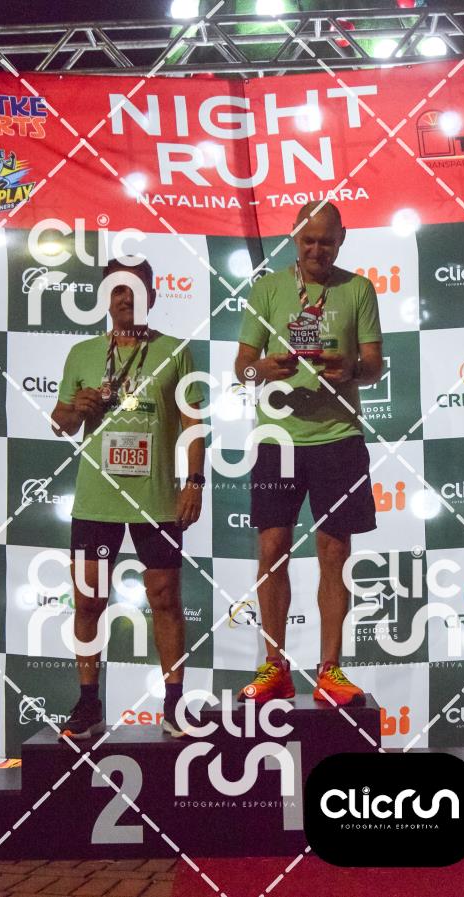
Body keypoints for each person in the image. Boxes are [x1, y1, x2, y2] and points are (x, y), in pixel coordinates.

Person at [234, 201, 383, 706]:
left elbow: (375, 366)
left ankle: (330, 669)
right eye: (308, 240)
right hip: (278, 440)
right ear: (294, 238)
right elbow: (242, 368)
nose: (317, 249)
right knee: (272, 549)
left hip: (339, 437)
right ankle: (274, 667)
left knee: (334, 554)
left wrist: (351, 370)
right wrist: (263, 370)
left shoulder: (358, 288)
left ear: (342, 239)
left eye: (326, 241)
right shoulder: (268, 288)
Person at [51, 258, 205, 738]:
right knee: (88, 601)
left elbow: (193, 424)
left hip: (155, 500)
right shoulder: (81, 354)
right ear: (106, 298)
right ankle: (87, 703)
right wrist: (76, 409)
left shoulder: (175, 351)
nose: (126, 298)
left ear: (151, 297)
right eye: (117, 289)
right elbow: (60, 423)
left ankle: (174, 705)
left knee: (166, 600)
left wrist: (194, 482)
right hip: (97, 500)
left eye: (136, 289)